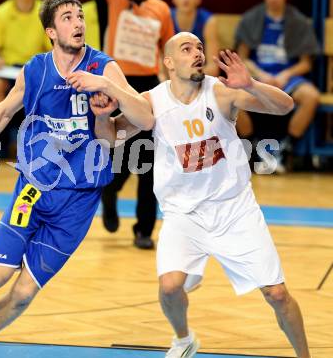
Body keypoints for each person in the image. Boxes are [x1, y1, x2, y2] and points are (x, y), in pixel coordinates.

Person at [0, 0, 153, 358]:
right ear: (51, 31)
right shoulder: (36, 70)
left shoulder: (104, 67)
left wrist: (107, 88)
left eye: (81, 16)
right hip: (35, 188)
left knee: (24, 292)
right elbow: (3, 113)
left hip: (79, 199)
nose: (78, 23)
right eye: (68, 17)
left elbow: (145, 119)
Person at [77, 32, 311, 358]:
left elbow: (285, 106)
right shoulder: (153, 101)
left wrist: (251, 84)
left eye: (200, 47)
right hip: (182, 213)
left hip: (234, 209)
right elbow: (110, 138)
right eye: (186, 49)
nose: (197, 53)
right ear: (169, 62)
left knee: (277, 294)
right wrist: (102, 116)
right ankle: (184, 339)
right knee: (170, 288)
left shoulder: (221, 92)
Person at [81, 0, 175, 249]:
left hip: (148, 85)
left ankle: (144, 230)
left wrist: (173, 87)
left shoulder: (161, 9)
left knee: (149, 160)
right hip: (116, 83)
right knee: (120, 154)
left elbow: (169, 52)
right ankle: (109, 191)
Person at [235, 0, 320, 172]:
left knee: (311, 96)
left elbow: (306, 63)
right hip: (256, 76)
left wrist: (286, 74)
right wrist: (260, 75)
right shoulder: (251, 18)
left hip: (287, 77)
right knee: (233, 96)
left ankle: (286, 148)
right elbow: (242, 57)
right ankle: (252, 147)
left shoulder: (298, 21)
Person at [170, 0, 219, 76]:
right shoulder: (166, 18)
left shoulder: (208, 21)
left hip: (198, 76)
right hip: (171, 75)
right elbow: (159, 62)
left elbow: (213, 68)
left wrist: (188, 76)